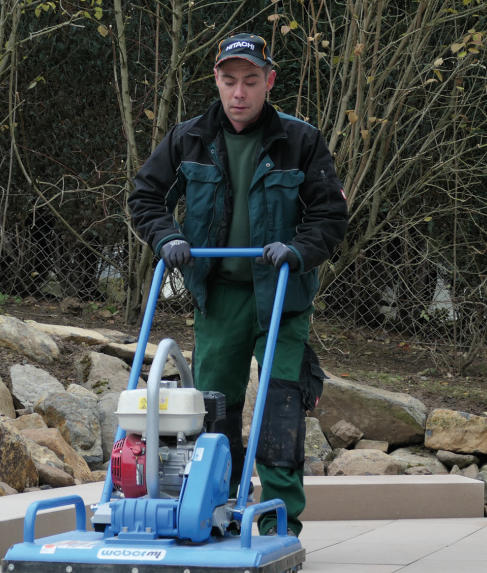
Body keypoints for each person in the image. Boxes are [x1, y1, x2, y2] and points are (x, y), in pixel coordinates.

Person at [128, 33, 348, 536]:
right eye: (230, 81)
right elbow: (145, 197)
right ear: (217, 81)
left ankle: (280, 519)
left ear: (269, 81)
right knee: (214, 407)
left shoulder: (300, 139)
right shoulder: (189, 137)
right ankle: (214, 505)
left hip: (283, 298)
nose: (240, 93)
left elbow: (330, 215)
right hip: (219, 297)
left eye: (251, 81)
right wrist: (168, 237)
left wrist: (297, 251)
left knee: (280, 403)